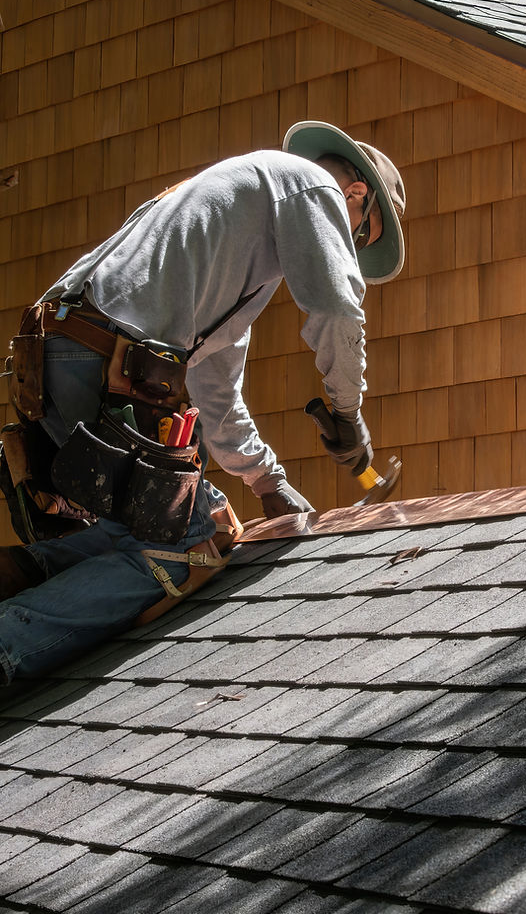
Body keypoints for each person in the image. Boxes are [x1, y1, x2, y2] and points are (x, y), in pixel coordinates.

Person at [0, 121, 406, 683]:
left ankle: (28, 570)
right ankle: (8, 643)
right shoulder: (313, 184)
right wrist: (346, 411)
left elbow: (217, 386)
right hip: (102, 359)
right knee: (197, 539)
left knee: (141, 527)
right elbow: (337, 307)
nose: (346, 243)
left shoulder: (232, 236)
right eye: (358, 236)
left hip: (57, 355)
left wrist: (267, 481)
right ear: (356, 192)